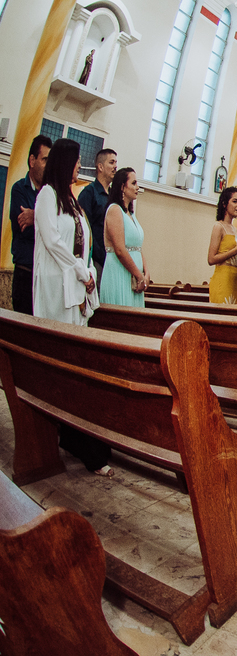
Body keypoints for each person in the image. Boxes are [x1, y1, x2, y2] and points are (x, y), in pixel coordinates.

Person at [34, 138, 110, 476]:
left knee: (75, 363)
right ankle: (67, 433)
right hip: (57, 287)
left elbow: (84, 244)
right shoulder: (47, 195)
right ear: (65, 162)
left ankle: (77, 434)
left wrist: (89, 271)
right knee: (62, 362)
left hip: (77, 287)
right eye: (78, 161)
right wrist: (81, 270)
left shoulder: (72, 200)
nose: (81, 166)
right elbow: (52, 241)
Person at [9, 134, 52, 314]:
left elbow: (55, 229)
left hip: (45, 276)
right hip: (25, 273)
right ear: (32, 160)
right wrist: (46, 221)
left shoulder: (51, 193)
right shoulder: (19, 189)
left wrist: (35, 216)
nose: (48, 166)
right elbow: (25, 229)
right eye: (45, 160)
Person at [99, 167, 147, 307]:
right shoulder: (115, 210)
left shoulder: (130, 214)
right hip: (119, 273)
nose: (137, 187)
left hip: (134, 274)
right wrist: (138, 275)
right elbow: (119, 250)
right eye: (133, 183)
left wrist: (146, 272)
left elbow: (137, 246)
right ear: (122, 187)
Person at [77, 147, 117, 288]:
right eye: (111, 162)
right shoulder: (89, 193)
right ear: (100, 167)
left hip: (112, 260)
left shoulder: (113, 196)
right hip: (95, 260)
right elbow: (84, 229)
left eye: (116, 163)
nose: (115, 167)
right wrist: (98, 256)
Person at [207, 187, 237, 304]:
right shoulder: (219, 227)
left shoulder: (235, 230)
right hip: (222, 280)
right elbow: (211, 259)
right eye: (235, 201)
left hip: (233, 280)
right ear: (224, 204)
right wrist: (235, 250)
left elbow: (234, 260)